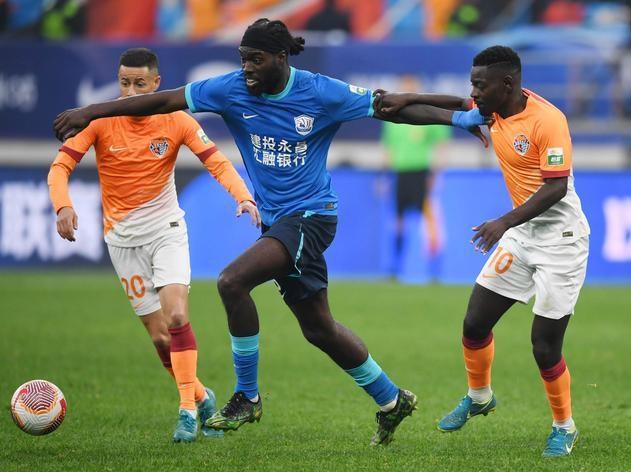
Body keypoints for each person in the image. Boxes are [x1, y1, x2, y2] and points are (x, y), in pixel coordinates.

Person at [52, 19, 488, 446]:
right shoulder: (229, 88)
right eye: (243, 58)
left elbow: (393, 107)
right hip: (278, 222)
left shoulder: (320, 91)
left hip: (313, 216)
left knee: (232, 281)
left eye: (256, 59)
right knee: (318, 328)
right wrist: (91, 112)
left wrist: (459, 117)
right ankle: (392, 399)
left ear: (281, 58)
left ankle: (247, 396)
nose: (247, 68)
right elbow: (162, 101)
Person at [376, 45, 590, 457]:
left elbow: (556, 187)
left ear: (507, 83)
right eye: (472, 83)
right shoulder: (492, 108)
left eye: (479, 84)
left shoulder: (548, 120)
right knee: (475, 324)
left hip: (561, 241)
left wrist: (503, 221)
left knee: (544, 346)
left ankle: (564, 427)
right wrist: (406, 98)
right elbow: (453, 107)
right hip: (522, 235)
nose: (473, 92)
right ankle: (479, 396)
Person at [48, 47, 260, 443]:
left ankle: (186, 411)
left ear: (156, 83)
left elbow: (216, 161)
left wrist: (243, 196)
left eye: (139, 84)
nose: (130, 92)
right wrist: (63, 206)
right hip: (122, 241)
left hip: (166, 230)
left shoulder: (176, 119)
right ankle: (201, 396)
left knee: (177, 317)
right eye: (124, 83)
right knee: (161, 338)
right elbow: (60, 167)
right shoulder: (101, 121)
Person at [381, 75, 451, 276]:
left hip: (422, 172)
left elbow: (441, 145)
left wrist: (436, 173)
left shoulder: (427, 115)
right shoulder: (392, 117)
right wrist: (384, 177)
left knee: (429, 221)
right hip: (400, 173)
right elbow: (388, 148)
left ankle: (434, 269)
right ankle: (395, 267)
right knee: (398, 221)